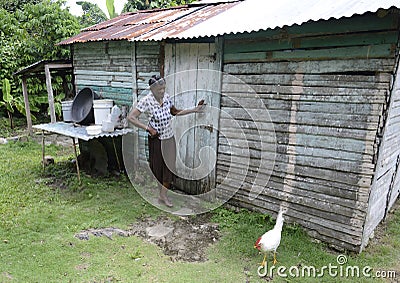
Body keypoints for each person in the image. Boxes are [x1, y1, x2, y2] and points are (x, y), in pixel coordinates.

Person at [128, 75, 205, 207]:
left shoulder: (167, 98)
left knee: (169, 167)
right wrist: (148, 128)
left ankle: (163, 195)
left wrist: (194, 109)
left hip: (169, 139)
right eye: (159, 89)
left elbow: (175, 112)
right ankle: (161, 194)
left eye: (163, 88)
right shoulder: (146, 101)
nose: (162, 91)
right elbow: (131, 117)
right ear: (152, 89)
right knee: (157, 168)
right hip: (156, 140)